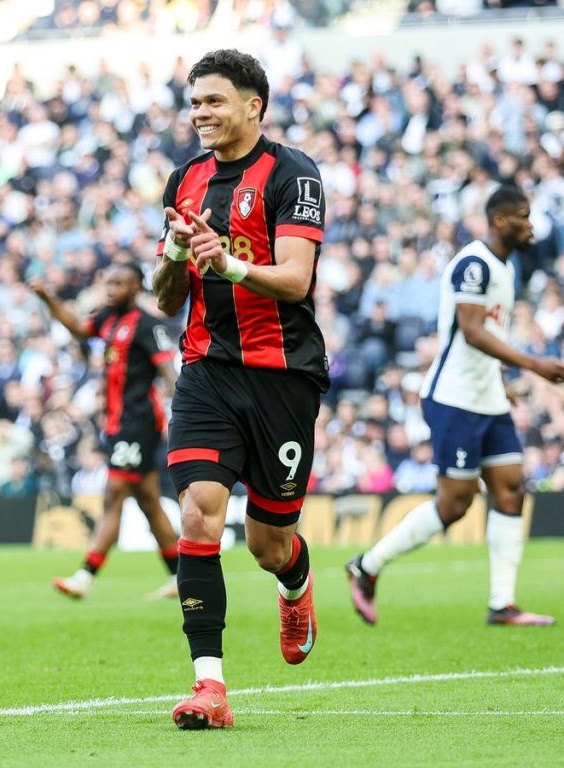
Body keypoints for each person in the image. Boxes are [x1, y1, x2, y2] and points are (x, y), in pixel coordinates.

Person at [152, 49, 329, 729]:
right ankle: (210, 686)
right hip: (206, 369)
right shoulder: (184, 180)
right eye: (195, 102)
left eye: (214, 101)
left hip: (282, 375)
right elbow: (167, 296)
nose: (200, 114)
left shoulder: (292, 173)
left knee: (267, 545)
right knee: (198, 512)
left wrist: (225, 262)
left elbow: (296, 279)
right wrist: (177, 254)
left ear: (253, 106)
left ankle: (295, 578)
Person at [346, 186, 564, 628]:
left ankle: (502, 604)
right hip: (454, 398)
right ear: (500, 220)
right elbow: (471, 331)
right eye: (523, 216)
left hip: (487, 397)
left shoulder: (506, 266)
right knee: (454, 504)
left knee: (510, 488)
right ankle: (367, 565)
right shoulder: (474, 264)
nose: (531, 226)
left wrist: (500, 380)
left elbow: (489, 336)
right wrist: (532, 365)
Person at [30, 262, 180, 601]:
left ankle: (85, 576)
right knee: (149, 502)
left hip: (138, 423)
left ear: (136, 287)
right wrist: (47, 298)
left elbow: (169, 373)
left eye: (118, 283)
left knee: (113, 496)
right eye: (107, 283)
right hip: (115, 424)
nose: (111, 289)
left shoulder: (147, 325)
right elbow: (78, 328)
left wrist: (182, 414)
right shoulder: (108, 319)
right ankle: (181, 576)